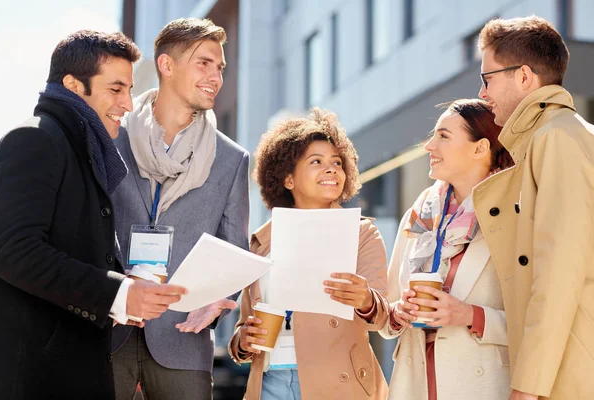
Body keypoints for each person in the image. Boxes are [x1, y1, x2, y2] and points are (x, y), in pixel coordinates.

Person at [0, 30, 187, 399]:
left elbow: (69, 251)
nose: (127, 104)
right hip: (35, 379)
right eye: (115, 89)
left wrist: (125, 285)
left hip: (72, 371)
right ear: (72, 85)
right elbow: (12, 250)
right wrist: (117, 293)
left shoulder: (80, 152)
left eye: (129, 90)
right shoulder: (33, 140)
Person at [111, 18, 249, 399]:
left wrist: (221, 306)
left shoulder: (231, 159)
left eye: (220, 67)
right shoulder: (112, 138)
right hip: (109, 332)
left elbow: (234, 250)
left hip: (183, 338)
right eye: (203, 63)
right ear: (166, 65)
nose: (215, 76)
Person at [228, 108, 389, 400]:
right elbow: (245, 325)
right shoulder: (261, 241)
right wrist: (243, 341)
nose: (331, 169)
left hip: (339, 382)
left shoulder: (360, 233)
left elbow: (383, 318)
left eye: (337, 163)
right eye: (316, 161)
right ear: (287, 179)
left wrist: (365, 299)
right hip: (270, 384)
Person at [473, 16, 594, 400]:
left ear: (524, 77)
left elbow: (559, 268)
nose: (482, 92)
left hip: (568, 373)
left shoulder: (556, 137)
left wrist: (528, 385)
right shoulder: (560, 134)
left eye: (488, 78)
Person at [380, 99, 515, 400]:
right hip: (414, 385)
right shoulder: (421, 212)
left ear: (480, 148)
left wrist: (469, 315)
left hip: (483, 386)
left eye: (443, 136)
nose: (429, 145)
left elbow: (539, 320)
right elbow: (388, 312)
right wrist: (398, 312)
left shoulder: (514, 212)